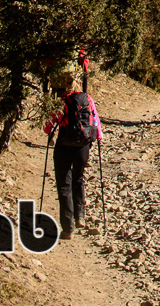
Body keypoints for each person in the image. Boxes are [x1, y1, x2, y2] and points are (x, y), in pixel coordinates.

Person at [44, 67, 102, 235]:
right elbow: (96, 124)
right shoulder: (88, 99)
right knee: (78, 179)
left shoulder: (62, 100)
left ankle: (67, 227)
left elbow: (48, 128)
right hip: (82, 146)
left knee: (64, 185)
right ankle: (80, 217)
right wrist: (96, 138)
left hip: (64, 145)